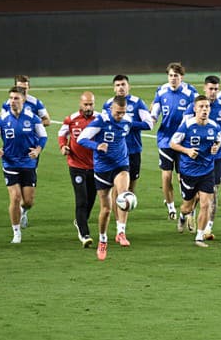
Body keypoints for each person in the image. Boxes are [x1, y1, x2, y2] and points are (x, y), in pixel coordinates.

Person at [0, 86, 47, 243]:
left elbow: (43, 136)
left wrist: (38, 150)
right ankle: (16, 233)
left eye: (16, 98)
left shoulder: (32, 118)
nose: (13, 101)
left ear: (23, 100)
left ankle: (23, 211)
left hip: (28, 163)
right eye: (11, 98)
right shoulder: (2, 120)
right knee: (15, 197)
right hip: (10, 163)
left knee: (28, 201)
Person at [77, 95, 132, 261]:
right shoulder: (101, 121)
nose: (120, 116)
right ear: (111, 109)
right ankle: (102, 240)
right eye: (117, 113)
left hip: (121, 164)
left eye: (123, 112)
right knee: (106, 209)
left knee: (123, 195)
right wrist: (96, 146)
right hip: (102, 168)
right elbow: (81, 139)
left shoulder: (127, 120)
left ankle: (121, 232)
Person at [103, 75, 153, 245]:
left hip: (133, 151)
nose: (120, 88)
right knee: (119, 191)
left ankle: (120, 226)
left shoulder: (138, 103)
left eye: (123, 84)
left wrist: (129, 123)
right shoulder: (107, 104)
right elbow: (102, 125)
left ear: (128, 86)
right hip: (115, 154)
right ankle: (120, 230)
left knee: (129, 190)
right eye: (117, 85)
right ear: (113, 88)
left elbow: (149, 124)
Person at [170, 95, 221, 248]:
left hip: (207, 170)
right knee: (188, 206)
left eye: (207, 106)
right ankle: (182, 216)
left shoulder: (214, 126)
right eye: (201, 107)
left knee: (206, 204)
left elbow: (218, 140)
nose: (204, 109)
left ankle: (199, 236)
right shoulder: (187, 125)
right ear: (195, 109)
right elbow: (173, 143)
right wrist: (186, 150)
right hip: (189, 171)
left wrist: (216, 147)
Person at [183, 75, 221, 237]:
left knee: (213, 190)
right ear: (204, 88)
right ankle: (188, 213)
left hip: (216, 157)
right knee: (195, 196)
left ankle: (207, 227)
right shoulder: (193, 108)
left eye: (216, 89)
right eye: (210, 89)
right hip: (195, 160)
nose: (213, 92)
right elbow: (184, 132)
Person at [151, 62, 198, 223]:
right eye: (170, 75)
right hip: (165, 139)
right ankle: (171, 206)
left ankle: (188, 208)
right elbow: (155, 111)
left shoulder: (190, 92)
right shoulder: (161, 91)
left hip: (183, 141)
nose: (173, 79)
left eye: (176, 76)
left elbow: (198, 111)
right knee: (166, 176)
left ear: (181, 77)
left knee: (183, 176)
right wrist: (151, 119)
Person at [57, 91, 98, 247]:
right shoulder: (71, 119)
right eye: (86, 104)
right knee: (81, 199)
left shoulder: (100, 119)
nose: (88, 107)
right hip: (76, 165)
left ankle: (80, 221)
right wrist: (63, 146)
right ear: (80, 104)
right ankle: (84, 233)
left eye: (91, 104)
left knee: (91, 199)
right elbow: (62, 134)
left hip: (95, 166)